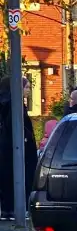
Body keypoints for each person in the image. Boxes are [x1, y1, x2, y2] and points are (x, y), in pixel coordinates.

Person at [0, 77, 37, 221]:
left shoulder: (4, 103)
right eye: (26, 88)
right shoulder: (15, 105)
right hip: (18, 149)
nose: (28, 91)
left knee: (6, 178)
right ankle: (19, 210)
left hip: (5, 148)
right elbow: (16, 127)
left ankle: (7, 210)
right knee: (22, 176)